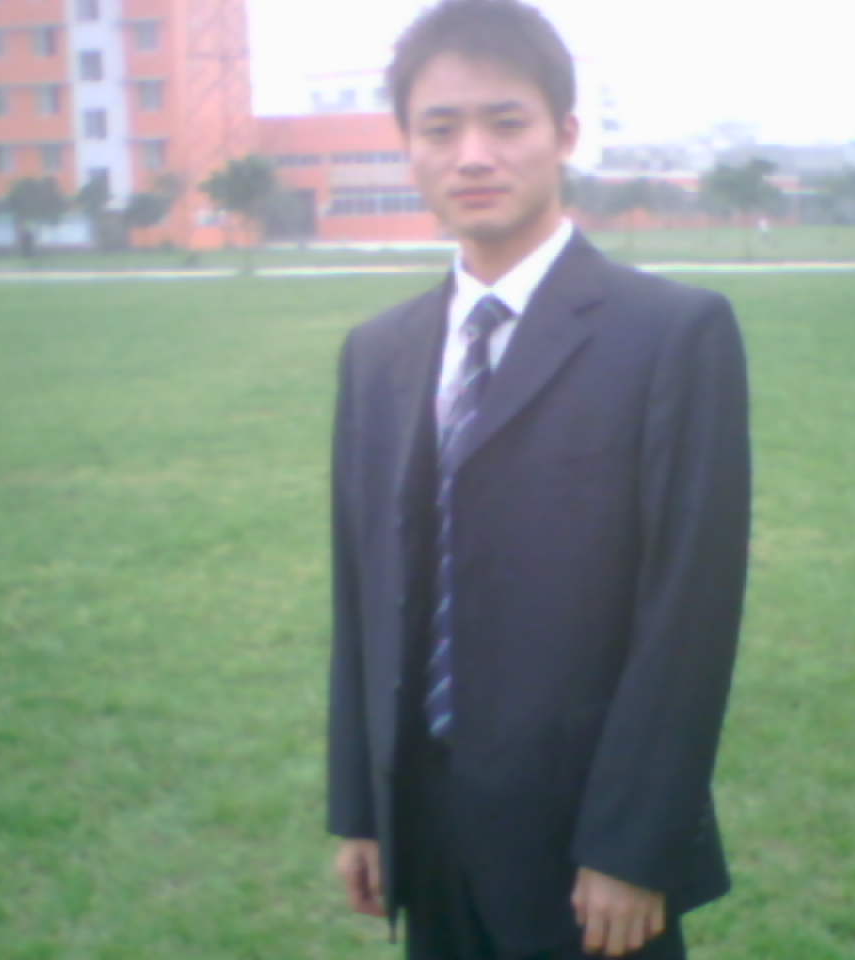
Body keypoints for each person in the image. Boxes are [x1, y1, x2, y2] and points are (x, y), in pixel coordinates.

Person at [327, 2, 750, 958]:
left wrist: (632, 845)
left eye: (505, 122)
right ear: (408, 148)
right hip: (425, 830)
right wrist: (362, 808)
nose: (472, 155)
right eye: (440, 129)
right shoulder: (379, 353)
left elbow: (690, 613)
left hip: (582, 848)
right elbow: (361, 595)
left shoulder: (670, 336)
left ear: (564, 133)